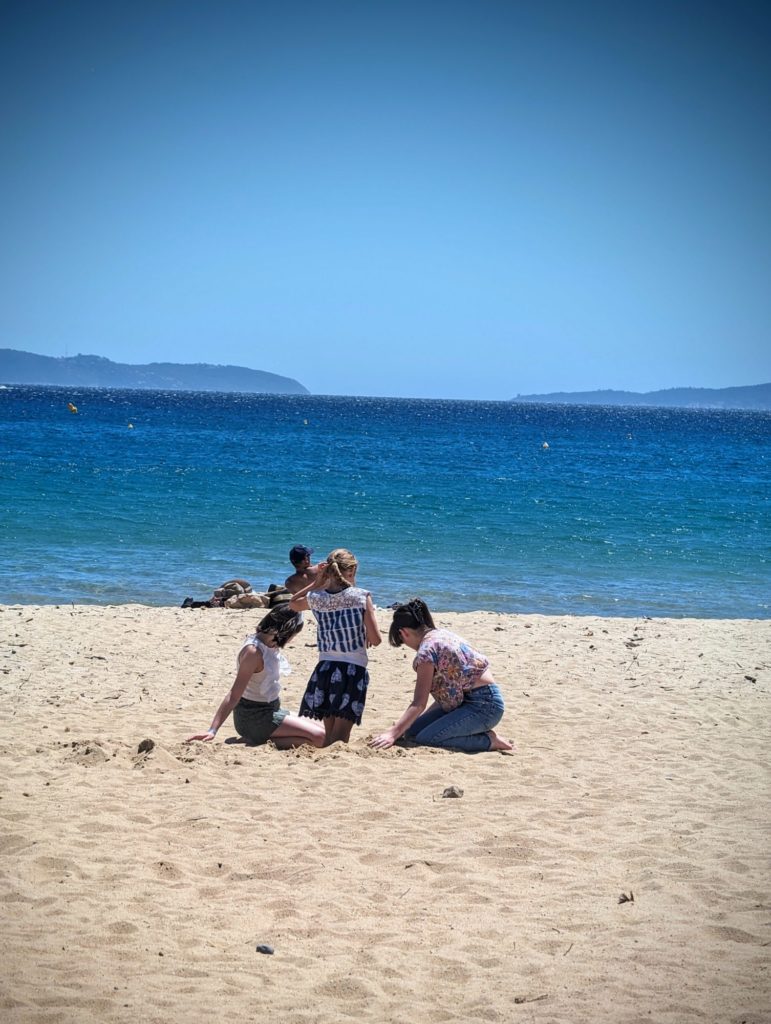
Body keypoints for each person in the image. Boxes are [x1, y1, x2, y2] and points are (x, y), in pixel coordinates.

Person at [369, 598, 513, 753]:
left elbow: (419, 703)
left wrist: (392, 733)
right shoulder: (441, 634)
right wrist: (408, 726)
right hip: (473, 699)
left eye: (403, 641)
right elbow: (447, 695)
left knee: (427, 738)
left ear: (404, 633)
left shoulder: (426, 652)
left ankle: (489, 740)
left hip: (484, 705)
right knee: (412, 731)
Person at [186, 605, 325, 748]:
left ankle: (266, 737)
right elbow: (234, 694)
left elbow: (294, 603)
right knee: (321, 738)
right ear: (285, 631)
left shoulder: (270, 643)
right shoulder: (253, 652)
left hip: (273, 710)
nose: (292, 640)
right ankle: (259, 742)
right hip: (254, 717)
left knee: (323, 728)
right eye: (293, 635)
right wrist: (212, 730)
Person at [289, 548, 381, 745]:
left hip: (325, 668)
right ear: (352, 571)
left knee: (329, 734)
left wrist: (315, 584)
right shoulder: (361, 597)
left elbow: (293, 602)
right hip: (352, 669)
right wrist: (362, 633)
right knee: (340, 739)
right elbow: (376, 639)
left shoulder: (318, 598)